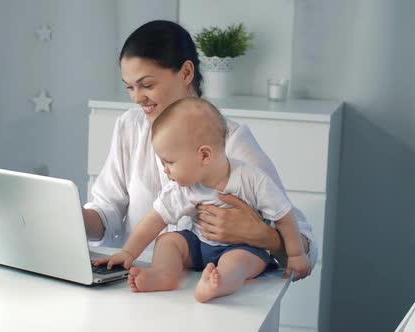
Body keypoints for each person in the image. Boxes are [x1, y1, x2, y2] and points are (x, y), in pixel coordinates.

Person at [82, 20, 317, 280]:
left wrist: (264, 237)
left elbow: (307, 247)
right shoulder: (129, 126)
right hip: (139, 283)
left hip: (213, 293)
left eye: (147, 85)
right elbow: (108, 212)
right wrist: (72, 220)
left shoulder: (230, 140)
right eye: (130, 87)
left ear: (185, 73)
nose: (137, 98)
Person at [93, 98, 311, 302]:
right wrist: (128, 253)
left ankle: (220, 284)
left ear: (204, 156)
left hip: (243, 248)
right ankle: (163, 275)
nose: (165, 170)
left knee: (239, 262)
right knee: (168, 241)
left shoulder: (251, 179)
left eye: (169, 162)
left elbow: (284, 216)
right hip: (199, 246)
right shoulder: (182, 188)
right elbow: (154, 220)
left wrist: (296, 254)